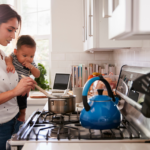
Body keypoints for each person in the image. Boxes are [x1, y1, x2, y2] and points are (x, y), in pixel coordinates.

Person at [0, 4, 37, 150]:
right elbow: (12, 91)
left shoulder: (4, 56)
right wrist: (16, 91)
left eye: (15, 31)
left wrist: (23, 86)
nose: (13, 36)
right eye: (10, 29)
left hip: (15, 120)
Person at [5, 35, 40, 122]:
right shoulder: (14, 56)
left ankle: (23, 113)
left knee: (22, 100)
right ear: (16, 51)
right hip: (12, 86)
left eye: (31, 56)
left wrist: (31, 67)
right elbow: (8, 58)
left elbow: (37, 74)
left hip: (22, 87)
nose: (28, 59)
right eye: (24, 55)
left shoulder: (31, 64)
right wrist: (9, 64)